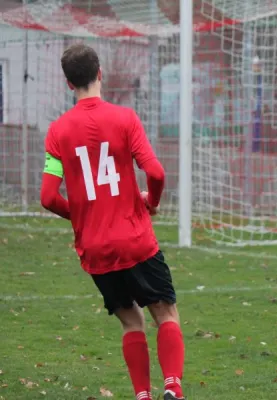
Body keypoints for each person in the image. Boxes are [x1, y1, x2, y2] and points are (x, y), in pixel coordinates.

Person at [40, 43, 186, 400]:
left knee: (130, 321)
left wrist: (82, 214)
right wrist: (151, 202)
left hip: (95, 249)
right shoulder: (125, 119)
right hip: (135, 238)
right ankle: (172, 388)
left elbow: (47, 197)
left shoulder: (58, 132)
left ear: (68, 83)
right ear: (100, 73)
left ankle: (142, 395)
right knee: (165, 313)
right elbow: (155, 171)